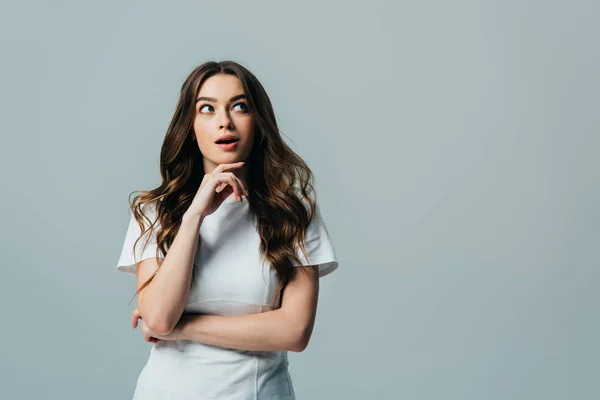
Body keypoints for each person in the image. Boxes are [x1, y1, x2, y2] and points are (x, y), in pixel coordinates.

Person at [115, 60, 339, 399]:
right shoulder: (154, 211)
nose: (224, 122)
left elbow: (295, 331)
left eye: (240, 107)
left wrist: (182, 329)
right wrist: (194, 216)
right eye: (207, 109)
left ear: (258, 122)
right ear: (189, 127)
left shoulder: (293, 211)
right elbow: (159, 319)